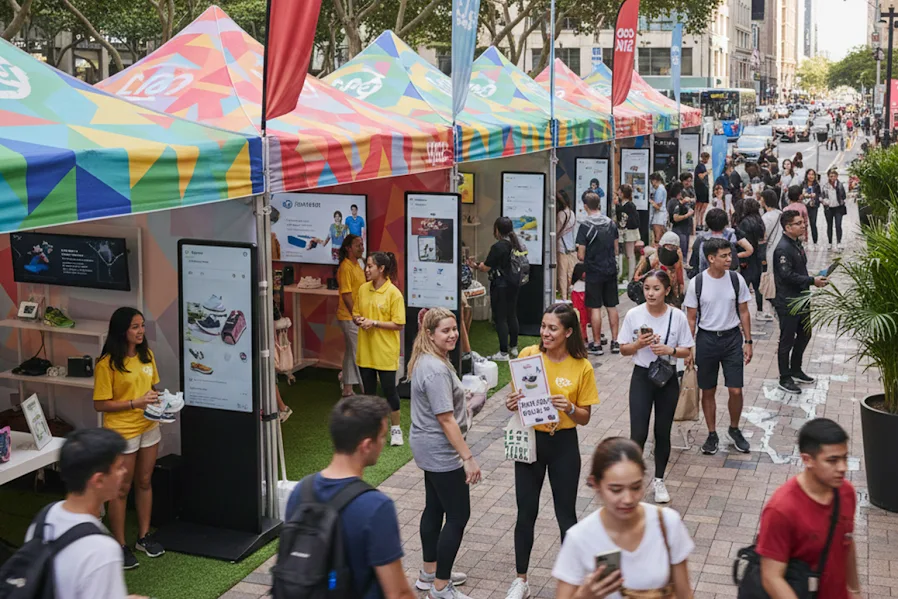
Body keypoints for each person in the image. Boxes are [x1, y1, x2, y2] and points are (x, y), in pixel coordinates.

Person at [502, 304, 599, 599]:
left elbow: (585, 416)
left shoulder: (581, 366)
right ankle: (521, 580)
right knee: (525, 512)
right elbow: (515, 396)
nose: (545, 333)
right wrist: (511, 402)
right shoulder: (528, 357)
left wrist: (568, 407)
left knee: (566, 515)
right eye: (544, 326)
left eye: (552, 328)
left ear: (568, 332)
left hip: (564, 444)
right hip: (532, 441)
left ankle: (572, 583)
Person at [284, 395, 417, 599]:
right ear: (366, 445)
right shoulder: (376, 507)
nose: (383, 443)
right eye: (382, 436)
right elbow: (398, 594)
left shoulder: (301, 490)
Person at [552, 438, 695, 599]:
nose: (628, 499)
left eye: (636, 487)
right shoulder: (579, 538)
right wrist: (585, 595)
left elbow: (685, 594)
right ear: (595, 484)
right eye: (616, 490)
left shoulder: (667, 523)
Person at [409, 308, 479, 599]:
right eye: (445, 331)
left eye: (454, 329)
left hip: (428, 446)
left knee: (435, 508)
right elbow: (445, 418)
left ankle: (429, 573)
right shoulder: (436, 369)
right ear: (429, 334)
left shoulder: (429, 360)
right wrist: (468, 458)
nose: (452, 334)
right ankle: (440, 586)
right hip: (440, 450)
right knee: (458, 514)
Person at [23, 428, 144, 599]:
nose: (124, 472)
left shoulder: (44, 518)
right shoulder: (102, 549)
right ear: (98, 480)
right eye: (118, 467)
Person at [93, 307, 165, 569]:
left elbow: (151, 389)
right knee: (121, 489)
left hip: (149, 426)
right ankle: (120, 545)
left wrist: (161, 401)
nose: (141, 331)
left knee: (145, 481)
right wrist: (135, 402)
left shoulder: (147, 356)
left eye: (142, 326)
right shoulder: (107, 364)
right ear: (122, 330)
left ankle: (143, 537)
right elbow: (100, 405)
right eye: (135, 326)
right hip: (122, 432)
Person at [756, 419, 859, 599]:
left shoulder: (846, 492)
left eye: (844, 458)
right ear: (807, 460)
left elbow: (846, 543)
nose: (843, 468)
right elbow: (771, 577)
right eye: (832, 460)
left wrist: (855, 591)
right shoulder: (781, 509)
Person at [618, 270, 695, 503]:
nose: (650, 293)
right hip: (642, 376)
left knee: (662, 432)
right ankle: (633, 482)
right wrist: (638, 344)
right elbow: (623, 349)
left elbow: (687, 351)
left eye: (656, 289)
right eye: (647, 289)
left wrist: (669, 350)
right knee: (638, 433)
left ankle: (659, 480)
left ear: (667, 291)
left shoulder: (677, 316)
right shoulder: (633, 314)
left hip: (667, 377)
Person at [683, 238, 754, 456]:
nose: (729, 259)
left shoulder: (736, 280)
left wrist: (748, 341)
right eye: (723, 256)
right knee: (708, 389)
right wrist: (688, 348)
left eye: (729, 255)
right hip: (707, 340)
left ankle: (734, 428)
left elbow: (743, 311)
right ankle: (711, 433)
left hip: (732, 339)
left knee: (735, 389)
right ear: (711, 258)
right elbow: (691, 318)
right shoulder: (697, 283)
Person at [772, 211, 828, 394]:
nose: (803, 226)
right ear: (788, 227)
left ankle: (796, 368)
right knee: (786, 340)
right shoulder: (783, 248)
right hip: (789, 301)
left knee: (805, 334)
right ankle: (784, 377)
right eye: (798, 223)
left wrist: (815, 277)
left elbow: (799, 271)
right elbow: (786, 275)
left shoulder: (796, 244)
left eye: (803, 222)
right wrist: (812, 281)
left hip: (802, 299)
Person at [354, 252, 406, 446]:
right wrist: (358, 320)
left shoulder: (394, 294)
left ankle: (396, 429)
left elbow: (399, 324)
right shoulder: (362, 290)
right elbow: (356, 313)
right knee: (368, 392)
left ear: (381, 269)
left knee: (389, 390)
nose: (366, 270)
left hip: (385, 351)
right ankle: (372, 430)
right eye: (366, 266)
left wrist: (374, 323)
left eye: (370, 266)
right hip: (365, 350)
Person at [469, 217, 524, 361]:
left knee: (500, 318)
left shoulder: (498, 247)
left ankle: (503, 352)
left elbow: (486, 267)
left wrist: (475, 265)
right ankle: (514, 347)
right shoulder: (517, 244)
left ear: (497, 230)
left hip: (500, 285)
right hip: (514, 284)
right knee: (512, 314)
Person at [577, 191, 620, 356]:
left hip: (594, 271)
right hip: (610, 269)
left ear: (585, 206)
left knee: (595, 307)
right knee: (612, 305)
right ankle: (615, 341)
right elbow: (616, 249)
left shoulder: (585, 226)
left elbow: (581, 254)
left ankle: (596, 344)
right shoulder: (611, 223)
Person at [337, 234, 366, 397]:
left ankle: (347, 389)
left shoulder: (358, 265)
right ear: (348, 248)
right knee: (358, 353)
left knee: (350, 352)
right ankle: (366, 390)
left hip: (355, 315)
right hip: (349, 317)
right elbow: (346, 295)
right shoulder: (346, 267)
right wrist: (355, 315)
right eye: (357, 245)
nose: (361, 247)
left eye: (362, 244)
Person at [688, 207, 754, 276]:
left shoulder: (701, 239)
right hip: (727, 277)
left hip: (706, 277)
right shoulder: (732, 236)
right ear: (725, 223)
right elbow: (749, 250)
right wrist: (736, 256)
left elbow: (694, 262)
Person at [734, 197, 767, 320]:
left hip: (747, 256)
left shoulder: (744, 222)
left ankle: (740, 311)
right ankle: (759, 310)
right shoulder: (760, 221)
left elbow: (742, 241)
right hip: (758, 256)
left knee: (744, 285)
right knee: (758, 284)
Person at [759, 189, 783, 322]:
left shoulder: (766, 217)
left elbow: (764, 236)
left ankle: (772, 305)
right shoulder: (781, 214)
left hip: (770, 250)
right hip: (781, 248)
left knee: (770, 277)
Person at [614, 184, 641, 281]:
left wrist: (617, 205)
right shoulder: (627, 204)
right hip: (627, 231)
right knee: (628, 254)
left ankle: (631, 277)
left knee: (630, 254)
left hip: (629, 232)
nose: (618, 193)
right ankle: (628, 275)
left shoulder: (628, 205)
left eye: (620, 191)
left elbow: (621, 217)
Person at [556, 190, 577, 300]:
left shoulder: (561, 214)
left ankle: (564, 297)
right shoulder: (572, 213)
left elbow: (556, 231)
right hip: (571, 247)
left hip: (562, 247)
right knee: (570, 273)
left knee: (562, 273)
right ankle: (571, 296)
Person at [821, 168, 847, 252]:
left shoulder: (840, 185)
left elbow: (844, 196)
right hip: (829, 208)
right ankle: (830, 242)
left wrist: (837, 190)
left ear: (837, 176)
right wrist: (823, 201)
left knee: (838, 225)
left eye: (834, 176)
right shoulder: (825, 185)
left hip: (838, 208)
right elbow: (822, 196)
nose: (832, 178)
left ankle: (839, 242)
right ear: (828, 176)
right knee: (829, 225)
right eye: (831, 176)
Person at [666, 182, 693, 259]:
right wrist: (687, 215)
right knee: (681, 251)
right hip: (680, 230)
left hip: (682, 229)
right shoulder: (675, 203)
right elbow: (676, 217)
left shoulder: (673, 202)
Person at [802, 169, 822, 248]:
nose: (811, 176)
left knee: (813, 223)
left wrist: (815, 196)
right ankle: (804, 241)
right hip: (804, 205)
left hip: (813, 206)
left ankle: (815, 242)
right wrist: (804, 195)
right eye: (809, 174)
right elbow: (801, 194)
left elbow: (819, 195)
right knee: (804, 224)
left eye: (812, 174)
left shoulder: (816, 185)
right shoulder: (803, 184)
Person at [648, 173, 668, 245]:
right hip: (660, 215)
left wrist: (650, 201)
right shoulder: (660, 189)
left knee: (657, 237)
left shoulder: (660, 189)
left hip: (659, 216)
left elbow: (658, 206)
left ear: (655, 180)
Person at [694, 152, 711, 230]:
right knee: (699, 207)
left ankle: (700, 222)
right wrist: (706, 172)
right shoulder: (699, 167)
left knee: (703, 206)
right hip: (700, 189)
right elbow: (700, 176)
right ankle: (698, 223)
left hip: (704, 188)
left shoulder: (702, 166)